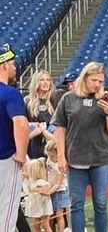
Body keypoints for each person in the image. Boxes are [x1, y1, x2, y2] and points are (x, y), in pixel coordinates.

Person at [52, 62, 108, 232]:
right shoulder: (68, 98)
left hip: (102, 158)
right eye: (94, 80)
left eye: (100, 81)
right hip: (75, 158)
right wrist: (61, 156)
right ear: (84, 78)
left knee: (101, 203)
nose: (97, 84)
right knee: (76, 204)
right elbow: (60, 129)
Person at [1, 43, 28, 232]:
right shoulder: (10, 93)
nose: (15, 67)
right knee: (7, 214)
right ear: (3, 65)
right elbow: (21, 124)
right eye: (12, 63)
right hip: (5, 159)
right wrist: (21, 153)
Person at [24, 70, 57, 159]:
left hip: (53, 145)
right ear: (36, 82)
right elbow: (24, 124)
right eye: (42, 80)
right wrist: (37, 129)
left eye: (48, 80)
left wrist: (44, 131)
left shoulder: (56, 99)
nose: (46, 82)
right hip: (34, 144)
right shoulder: (27, 101)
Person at [44, 140, 69, 232]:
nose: (50, 158)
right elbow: (46, 173)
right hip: (51, 188)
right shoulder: (49, 160)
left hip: (60, 190)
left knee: (59, 214)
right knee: (49, 214)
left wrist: (49, 192)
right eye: (49, 155)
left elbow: (58, 183)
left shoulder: (60, 165)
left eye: (52, 156)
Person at [25, 157, 53, 232]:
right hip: (36, 205)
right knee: (36, 224)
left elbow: (45, 190)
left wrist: (38, 190)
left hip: (43, 205)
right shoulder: (32, 181)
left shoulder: (42, 182)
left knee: (45, 224)